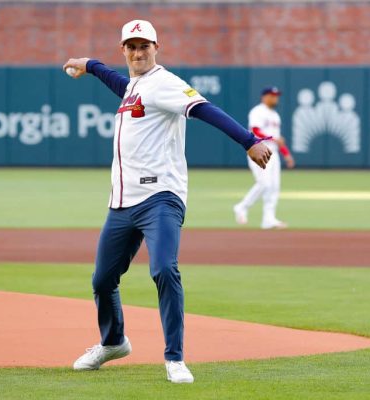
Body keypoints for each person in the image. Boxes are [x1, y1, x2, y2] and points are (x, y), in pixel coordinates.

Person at [63, 19, 272, 384]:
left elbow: (207, 110)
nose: (138, 52)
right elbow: (121, 84)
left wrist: (248, 141)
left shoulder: (166, 83)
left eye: (145, 46)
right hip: (123, 203)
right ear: (124, 50)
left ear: (156, 48)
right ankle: (113, 342)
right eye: (132, 46)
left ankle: (175, 358)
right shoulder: (135, 87)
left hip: (160, 197)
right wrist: (91, 64)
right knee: (102, 280)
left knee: (163, 269)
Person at [233, 86, 295, 229]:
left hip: (273, 152)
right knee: (264, 183)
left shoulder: (275, 115)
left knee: (274, 186)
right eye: (272, 95)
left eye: (276, 96)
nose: (275, 98)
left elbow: (278, 139)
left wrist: (286, 154)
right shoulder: (258, 111)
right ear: (264, 96)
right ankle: (242, 206)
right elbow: (255, 130)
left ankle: (268, 219)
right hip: (258, 150)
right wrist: (273, 138)